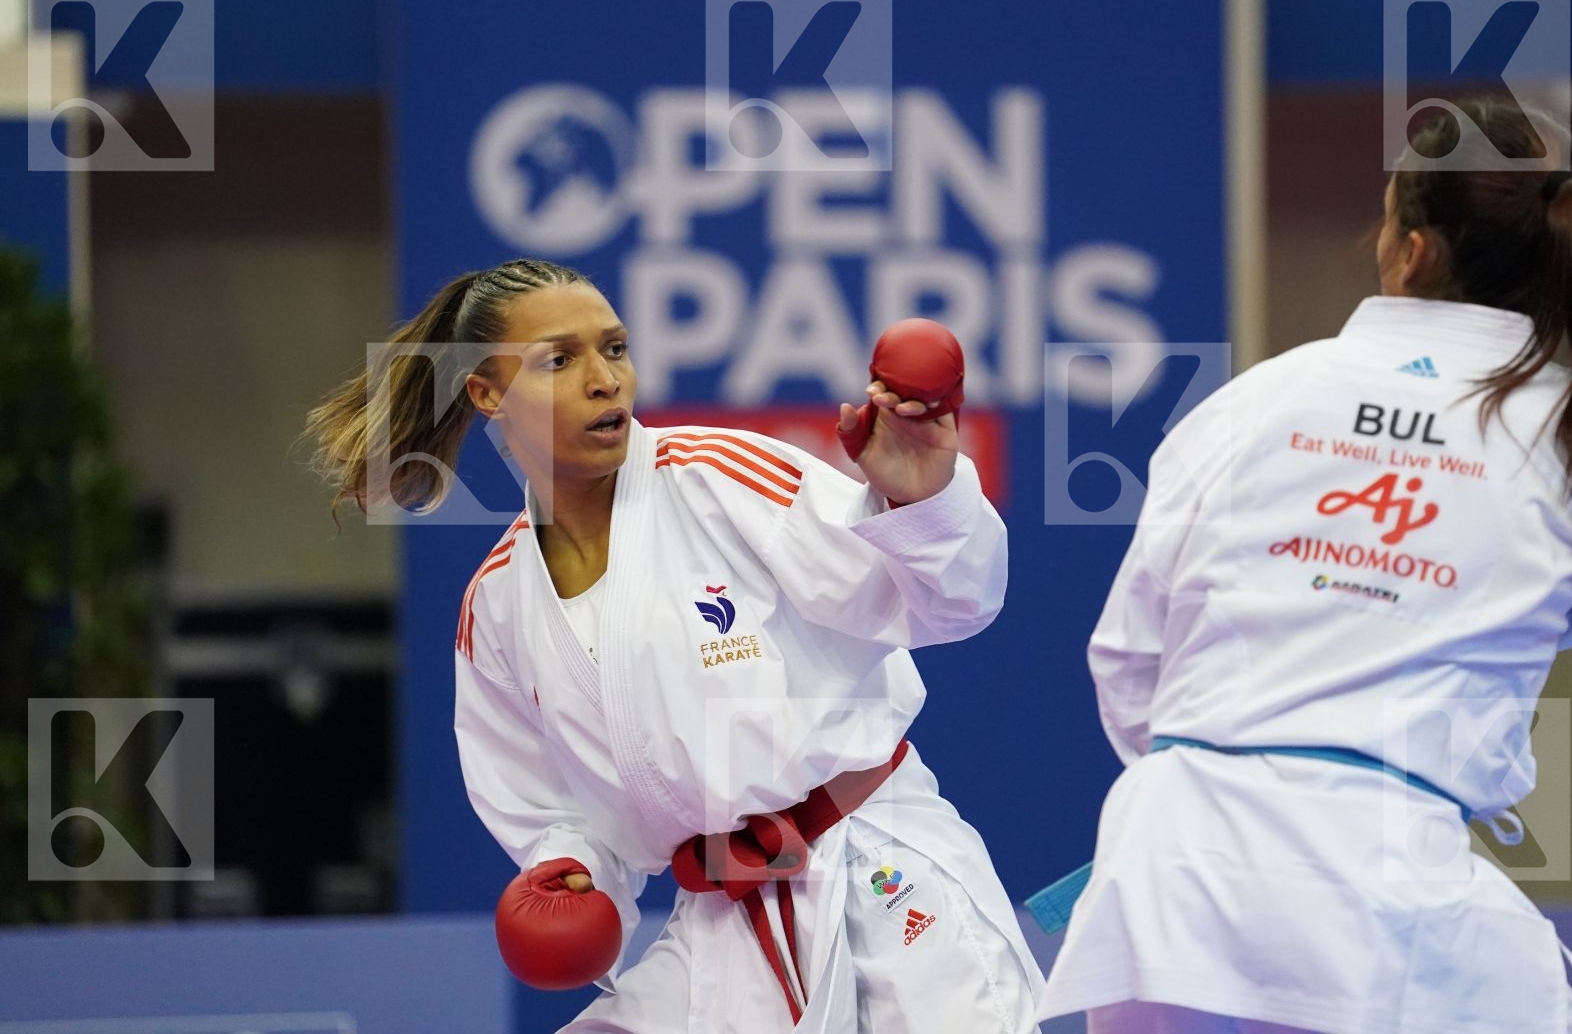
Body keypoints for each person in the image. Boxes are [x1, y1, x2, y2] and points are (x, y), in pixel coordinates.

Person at [303, 258, 1043, 1033]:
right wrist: (570, 871)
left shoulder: (717, 480)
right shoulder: (496, 604)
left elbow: (953, 604)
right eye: (560, 360)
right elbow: (551, 806)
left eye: (615, 349)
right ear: (487, 393)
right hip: (725, 928)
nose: (605, 381)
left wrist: (921, 497)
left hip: (879, 874)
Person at [1040, 97, 1572, 1034]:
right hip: (1393, 890)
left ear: (1411, 251)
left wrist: (1229, 769)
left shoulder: (1252, 402)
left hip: (1167, 887)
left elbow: (1131, 664)